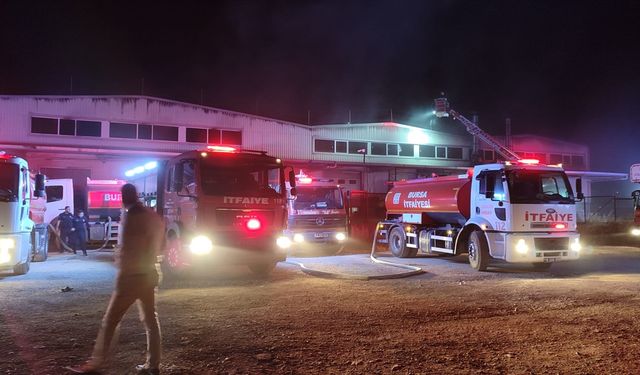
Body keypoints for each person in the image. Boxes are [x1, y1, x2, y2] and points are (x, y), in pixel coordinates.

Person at [66, 184, 164, 375]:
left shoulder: (130, 217)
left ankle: (97, 364)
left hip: (131, 277)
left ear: (124, 197)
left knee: (110, 321)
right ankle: (153, 365)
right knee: (151, 320)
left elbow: (127, 249)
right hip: (149, 273)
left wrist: (121, 271)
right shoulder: (152, 216)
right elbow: (159, 245)